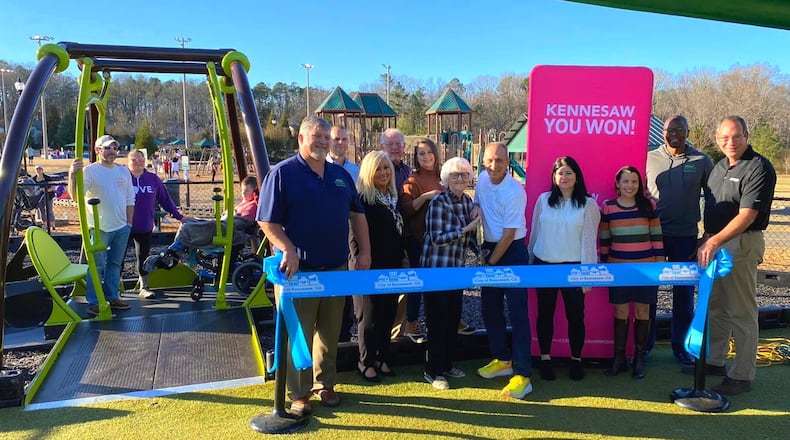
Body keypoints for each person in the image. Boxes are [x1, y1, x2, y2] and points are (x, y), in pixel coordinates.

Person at [257, 115, 371, 416]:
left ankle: (326, 385)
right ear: (302, 139)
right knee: (300, 335)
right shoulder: (282, 174)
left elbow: (357, 216)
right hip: (299, 274)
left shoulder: (340, 175)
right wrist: (288, 248)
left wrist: (365, 253)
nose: (322, 141)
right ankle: (299, 393)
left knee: (330, 332)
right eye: (316, 136)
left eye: (326, 137)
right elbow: (266, 220)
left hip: (336, 270)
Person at [695, 116, 776, 396]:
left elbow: (747, 215)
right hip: (716, 244)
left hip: (741, 243)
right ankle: (715, 361)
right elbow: (714, 210)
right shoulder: (717, 167)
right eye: (724, 138)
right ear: (717, 138)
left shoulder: (758, 167)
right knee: (717, 305)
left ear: (746, 134)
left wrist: (714, 241)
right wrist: (707, 238)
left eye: (736, 137)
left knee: (741, 310)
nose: (730, 142)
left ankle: (741, 375)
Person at [646, 115, 715, 365]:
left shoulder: (702, 160)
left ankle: (682, 348)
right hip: (653, 236)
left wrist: (706, 235)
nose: (673, 134)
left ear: (688, 131)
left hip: (686, 237)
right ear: (662, 132)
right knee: (649, 292)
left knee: (683, 296)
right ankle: (645, 347)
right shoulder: (649, 158)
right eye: (668, 130)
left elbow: (713, 199)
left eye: (679, 129)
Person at [528, 156, 600, 381]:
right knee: (545, 315)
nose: (564, 177)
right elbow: (535, 233)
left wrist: (587, 276)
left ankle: (577, 360)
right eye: (560, 173)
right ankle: (545, 359)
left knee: (576, 317)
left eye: (569, 172)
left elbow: (590, 240)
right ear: (554, 177)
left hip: (574, 269)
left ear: (577, 176)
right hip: (544, 265)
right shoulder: (543, 200)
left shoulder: (588, 204)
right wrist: (531, 263)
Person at [474, 142, 533, 399]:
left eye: (500, 160)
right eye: (490, 160)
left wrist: (489, 263)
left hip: (512, 251)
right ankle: (502, 359)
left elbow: (509, 235)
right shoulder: (480, 180)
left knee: (518, 314)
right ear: (483, 161)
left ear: (507, 162)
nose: (494, 165)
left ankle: (523, 374)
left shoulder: (515, 190)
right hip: (490, 248)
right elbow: (477, 207)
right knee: (490, 308)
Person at [421, 157, 479, 390]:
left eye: (464, 175)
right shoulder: (439, 201)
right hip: (436, 270)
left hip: (456, 270)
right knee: (437, 321)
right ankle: (432, 370)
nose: (460, 179)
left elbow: (470, 239)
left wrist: (480, 249)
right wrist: (465, 229)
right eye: (455, 175)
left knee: (453, 318)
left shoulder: (467, 201)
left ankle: (446, 364)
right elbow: (437, 238)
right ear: (446, 178)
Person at [599, 166, 664, 379]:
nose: (630, 186)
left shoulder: (649, 206)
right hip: (619, 269)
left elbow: (656, 236)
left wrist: (659, 264)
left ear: (640, 184)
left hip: (646, 269)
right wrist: (607, 264)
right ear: (618, 184)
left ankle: (638, 358)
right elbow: (605, 239)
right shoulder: (608, 208)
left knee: (643, 313)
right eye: (625, 181)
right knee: (620, 313)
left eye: (634, 182)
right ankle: (618, 359)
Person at [354, 151, 406, 382]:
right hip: (369, 267)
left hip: (392, 265)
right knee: (370, 317)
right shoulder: (362, 201)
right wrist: (359, 262)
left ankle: (383, 357)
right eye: (378, 169)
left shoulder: (394, 198)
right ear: (368, 172)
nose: (383, 173)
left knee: (388, 315)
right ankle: (365, 361)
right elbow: (354, 236)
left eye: (386, 168)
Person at [68, 135, 135, 316]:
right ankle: (95, 301)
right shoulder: (90, 171)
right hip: (99, 228)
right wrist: (72, 174)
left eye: (114, 148)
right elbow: (75, 196)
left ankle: (112, 296)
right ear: (98, 150)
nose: (112, 151)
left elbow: (130, 197)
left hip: (121, 226)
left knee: (115, 263)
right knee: (96, 266)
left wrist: (129, 223)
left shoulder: (123, 171)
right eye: (107, 148)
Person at [126, 149, 191, 299]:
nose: (138, 162)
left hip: (144, 226)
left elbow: (165, 200)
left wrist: (179, 216)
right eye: (134, 160)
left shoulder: (152, 179)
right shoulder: (122, 178)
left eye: (141, 160)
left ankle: (144, 287)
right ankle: (115, 290)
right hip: (124, 226)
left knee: (143, 257)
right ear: (128, 162)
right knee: (117, 259)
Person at [399, 138, 443, 344]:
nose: (426, 157)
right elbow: (406, 209)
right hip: (418, 240)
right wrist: (425, 197)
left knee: (440, 283)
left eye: (429, 152)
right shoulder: (412, 181)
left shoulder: (442, 178)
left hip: (441, 241)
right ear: (416, 158)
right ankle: (412, 322)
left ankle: (444, 319)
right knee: (418, 281)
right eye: (421, 154)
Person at [327, 125, 361, 343]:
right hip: (328, 232)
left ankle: (344, 332)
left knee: (348, 280)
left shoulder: (355, 170)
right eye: (336, 139)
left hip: (349, 232)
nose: (340, 143)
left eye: (344, 139)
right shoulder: (319, 166)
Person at [32, 165, 56, 230]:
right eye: (37, 169)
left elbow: (53, 188)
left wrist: (46, 190)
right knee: (41, 210)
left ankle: (52, 224)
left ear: (42, 170)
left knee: (49, 210)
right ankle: (44, 224)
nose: (38, 170)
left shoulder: (47, 178)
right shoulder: (33, 179)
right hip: (39, 197)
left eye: (40, 169)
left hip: (48, 196)